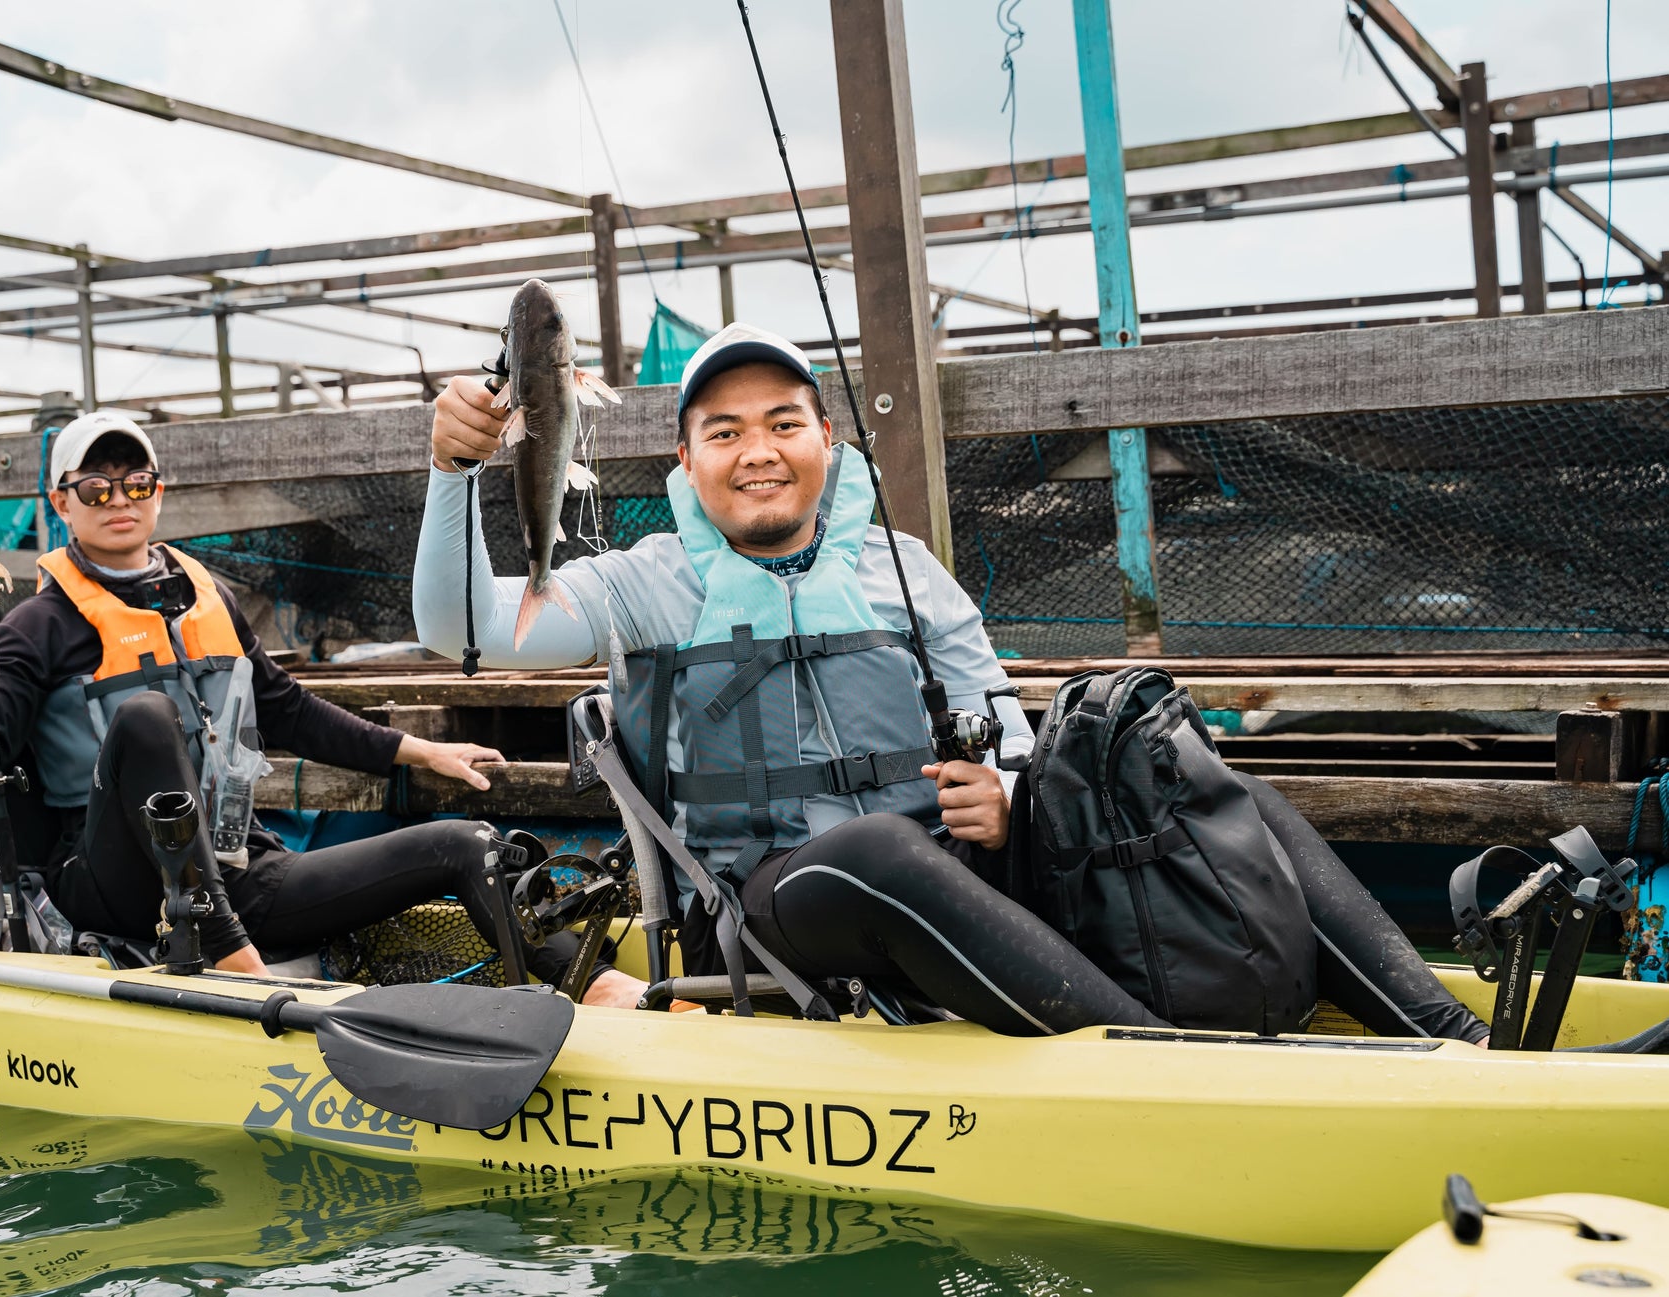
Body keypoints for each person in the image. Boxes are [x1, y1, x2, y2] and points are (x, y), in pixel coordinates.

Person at [414, 323, 1491, 1044]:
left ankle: (1449, 1039)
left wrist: (1013, 794)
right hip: (773, 916)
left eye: (784, 423)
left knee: (1212, 784)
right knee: (878, 851)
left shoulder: (908, 570)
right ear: (686, 462)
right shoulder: (650, 586)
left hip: (968, 883)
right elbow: (457, 627)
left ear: (825, 442)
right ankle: (1155, 1061)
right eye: (724, 431)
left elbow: (1013, 741)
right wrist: (454, 473)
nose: (758, 451)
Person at [0, 409, 622, 995]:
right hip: (116, 889)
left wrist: (418, 750)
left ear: (158, 493)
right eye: (97, 488)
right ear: (62, 502)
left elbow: (287, 709)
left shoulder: (208, 596)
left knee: (464, 844)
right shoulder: (38, 626)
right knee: (146, 718)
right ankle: (241, 968)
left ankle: (601, 988)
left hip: (240, 868)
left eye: (136, 483)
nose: (120, 500)